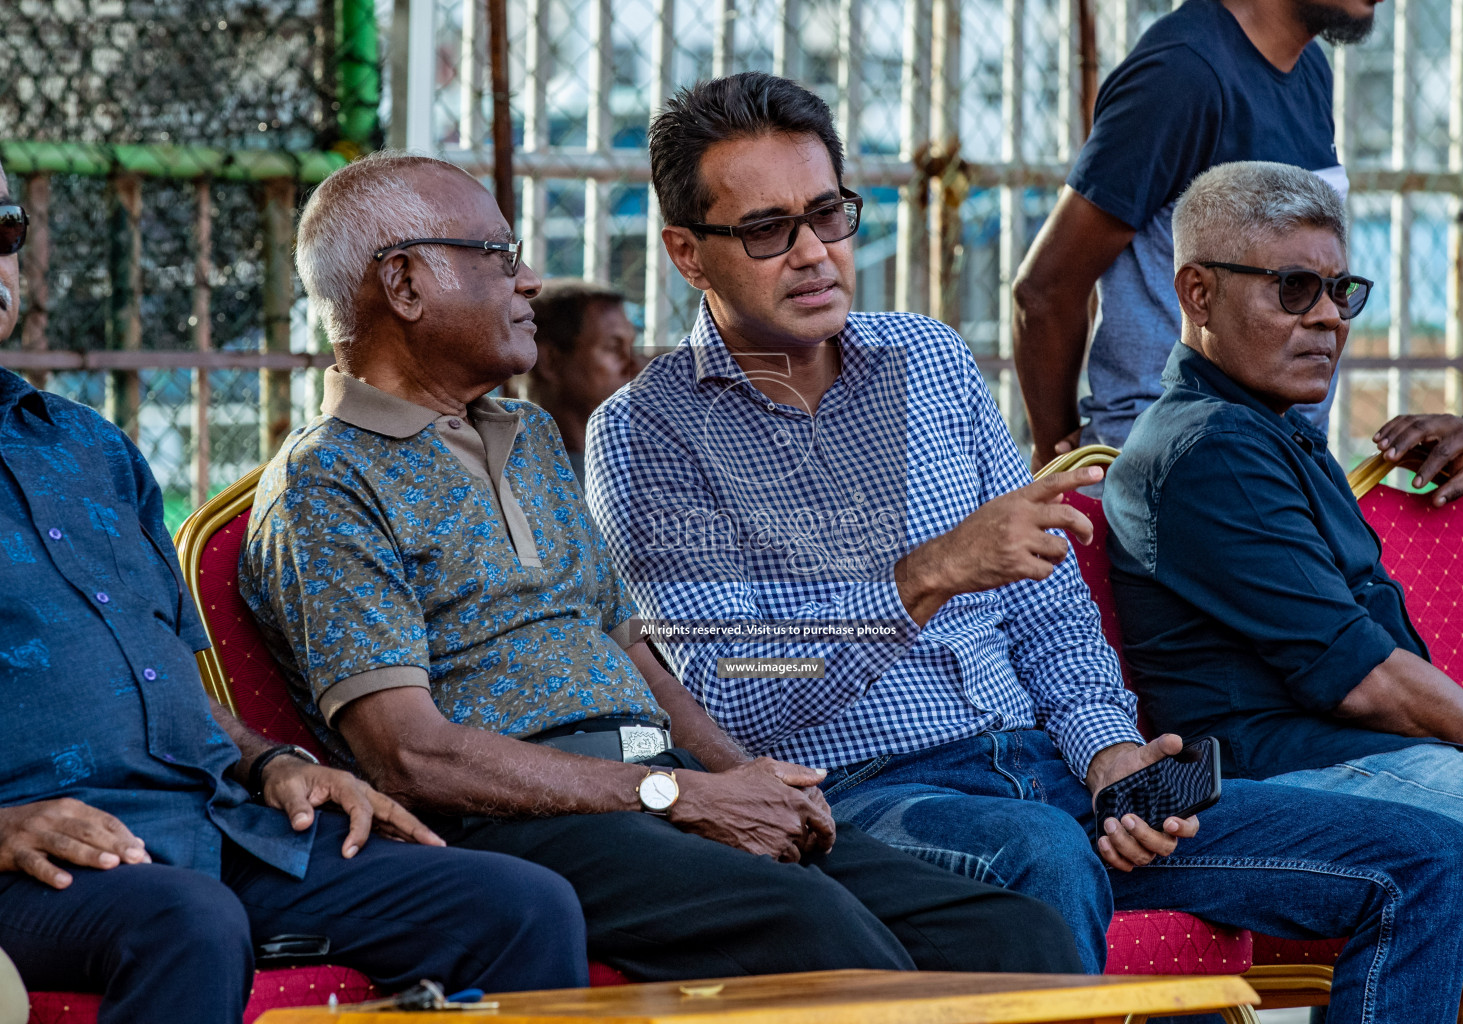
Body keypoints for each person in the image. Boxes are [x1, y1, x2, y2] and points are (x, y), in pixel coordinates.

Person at [584, 73, 1463, 1024]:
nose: (815, 255)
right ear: (687, 253)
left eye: (828, 214)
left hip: (1052, 775)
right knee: (1042, 853)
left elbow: (1047, 609)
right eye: (768, 230)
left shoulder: (927, 361)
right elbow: (732, 690)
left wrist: (1110, 756)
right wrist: (924, 577)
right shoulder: (648, 432)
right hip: (864, 801)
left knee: (1426, 857)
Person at [239, 151, 1082, 983]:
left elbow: (629, 647)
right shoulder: (329, 480)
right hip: (511, 818)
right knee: (810, 926)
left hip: (655, 785)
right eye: (498, 256)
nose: (529, 279)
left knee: (1007, 936)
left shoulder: (525, 437)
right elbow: (410, 758)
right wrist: (677, 799)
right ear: (405, 284)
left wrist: (734, 775)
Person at [0, 162, 588, 1024]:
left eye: (5, 232)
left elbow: (173, 679)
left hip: (220, 824)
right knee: (187, 923)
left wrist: (275, 765)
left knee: (520, 906)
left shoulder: (88, 446)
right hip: (44, 861)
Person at [1105, 159, 1463, 944]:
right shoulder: (1211, 445)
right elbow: (1361, 680)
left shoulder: (1269, 429)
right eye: (1295, 289)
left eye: (1341, 292)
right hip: (1295, 776)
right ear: (1199, 292)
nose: (1330, 318)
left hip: (1371, 762)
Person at [1012, 0, 1380, 469]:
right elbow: (1045, 291)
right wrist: (1055, 456)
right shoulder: (1182, 72)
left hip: (1280, 463)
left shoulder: (1309, 69)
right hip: (1181, 473)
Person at [526, 278, 640, 484]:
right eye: (613, 348)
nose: (634, 365)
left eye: (631, 345)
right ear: (549, 361)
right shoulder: (529, 478)